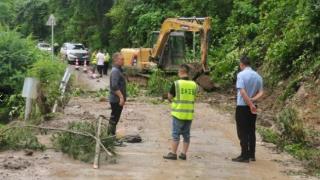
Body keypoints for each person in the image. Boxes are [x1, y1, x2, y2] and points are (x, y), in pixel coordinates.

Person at [232, 56, 263, 163]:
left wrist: (249, 104)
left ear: (242, 64)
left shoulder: (241, 75)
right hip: (253, 107)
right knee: (251, 130)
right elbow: (261, 92)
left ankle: (244, 155)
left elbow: (242, 92)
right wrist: (253, 101)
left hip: (242, 107)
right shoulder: (258, 76)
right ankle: (251, 155)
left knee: (242, 131)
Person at [163, 64, 197, 160]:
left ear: (181, 71)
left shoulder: (177, 83)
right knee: (186, 134)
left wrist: (171, 101)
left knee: (175, 134)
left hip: (178, 113)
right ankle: (183, 154)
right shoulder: (194, 84)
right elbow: (194, 97)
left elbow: (170, 97)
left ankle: (173, 153)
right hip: (189, 114)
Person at [108, 52, 127, 137]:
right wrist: (121, 97)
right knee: (114, 118)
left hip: (117, 99)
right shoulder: (115, 71)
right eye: (122, 59)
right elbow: (114, 86)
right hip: (116, 99)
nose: (123, 61)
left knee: (115, 118)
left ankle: (111, 135)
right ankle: (110, 136)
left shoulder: (119, 70)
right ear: (116, 60)